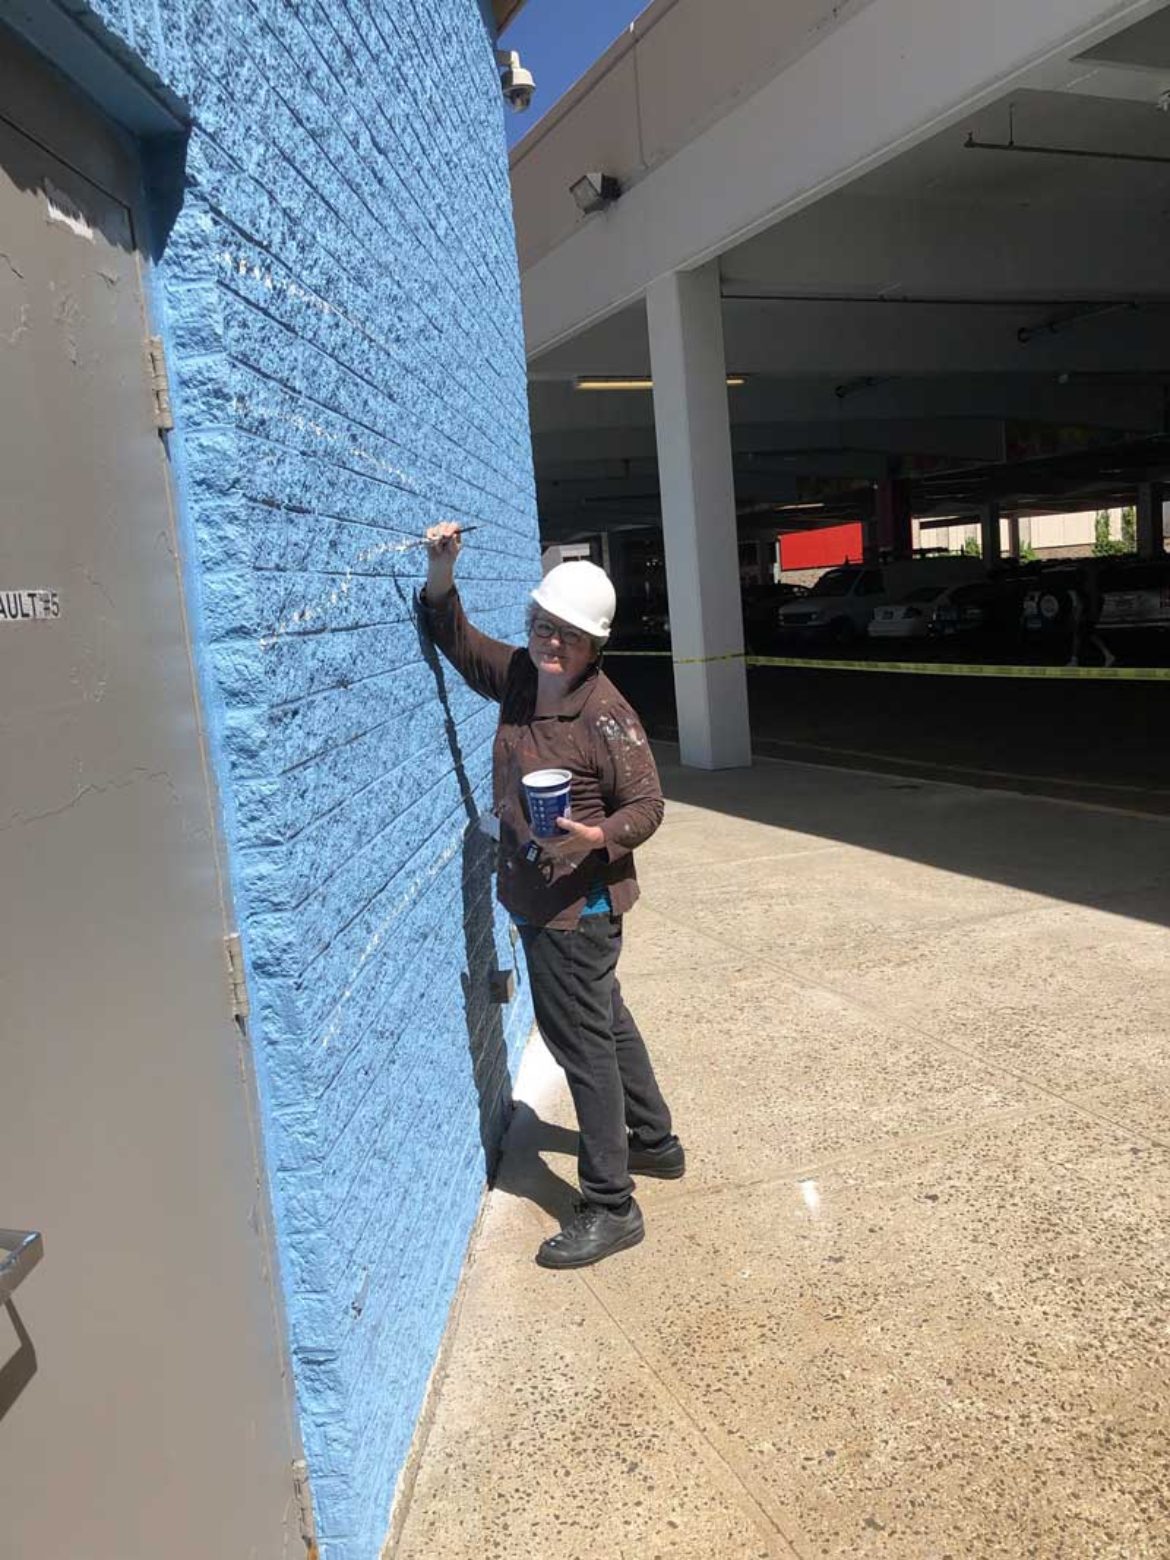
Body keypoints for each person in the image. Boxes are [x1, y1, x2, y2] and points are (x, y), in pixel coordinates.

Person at [420, 523, 684, 1270]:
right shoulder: (520, 679)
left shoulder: (606, 714)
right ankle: (656, 1143)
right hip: (547, 904)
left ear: (594, 644)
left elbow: (648, 806)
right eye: (541, 627)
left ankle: (611, 1203)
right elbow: (458, 638)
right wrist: (443, 570)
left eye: (566, 635)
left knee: (582, 1047)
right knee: (605, 1020)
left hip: (577, 909)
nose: (549, 643)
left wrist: (593, 839)